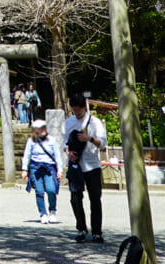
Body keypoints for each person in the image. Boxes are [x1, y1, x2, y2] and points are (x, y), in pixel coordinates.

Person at [63, 93, 107, 244]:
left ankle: (97, 232)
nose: (77, 113)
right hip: (75, 166)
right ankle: (81, 229)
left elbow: (103, 143)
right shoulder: (68, 122)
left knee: (95, 199)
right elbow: (64, 143)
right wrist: (68, 153)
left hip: (92, 165)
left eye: (79, 110)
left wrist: (89, 139)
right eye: (74, 110)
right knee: (75, 198)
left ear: (84, 108)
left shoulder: (95, 122)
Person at [21, 119, 62, 224]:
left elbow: (57, 155)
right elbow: (26, 155)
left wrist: (60, 170)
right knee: (39, 192)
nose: (43, 129)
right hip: (36, 168)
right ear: (36, 130)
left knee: (51, 190)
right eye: (40, 128)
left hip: (49, 168)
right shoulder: (31, 141)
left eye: (44, 127)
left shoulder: (51, 140)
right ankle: (43, 214)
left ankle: (52, 211)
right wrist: (24, 169)